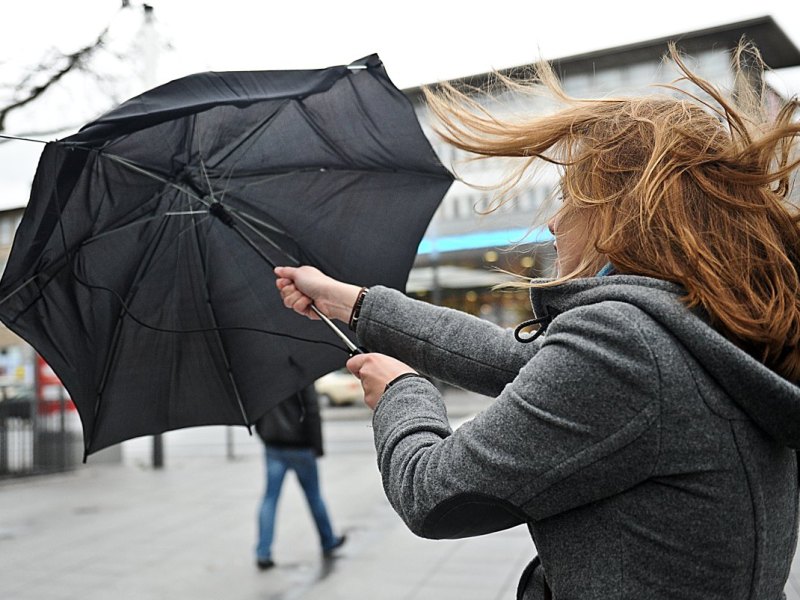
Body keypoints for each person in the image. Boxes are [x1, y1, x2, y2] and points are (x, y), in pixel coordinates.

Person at [275, 43, 800, 599]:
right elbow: (514, 360)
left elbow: (436, 493)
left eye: (570, 195)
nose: (553, 221)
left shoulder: (629, 345)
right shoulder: (704, 322)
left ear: (622, 213)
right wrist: (353, 302)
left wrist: (403, 392)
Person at [254, 385, 346, 570]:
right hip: (300, 445)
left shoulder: (262, 373)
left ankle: (263, 553)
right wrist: (317, 446)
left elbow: (255, 410)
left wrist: (264, 434)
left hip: (273, 445)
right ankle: (328, 541)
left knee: (270, 499)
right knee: (314, 496)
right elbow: (311, 410)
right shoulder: (299, 369)